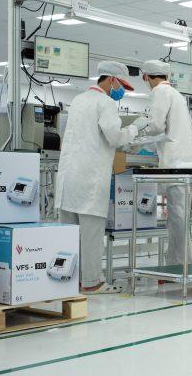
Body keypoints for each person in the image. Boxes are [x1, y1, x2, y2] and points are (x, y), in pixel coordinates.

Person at [56, 61, 148, 293]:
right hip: (90, 179)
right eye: (121, 86)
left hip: (68, 178)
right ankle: (91, 282)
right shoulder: (105, 102)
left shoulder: (79, 100)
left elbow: (95, 138)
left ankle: (68, 279)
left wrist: (127, 145)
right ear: (111, 80)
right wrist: (137, 127)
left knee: (69, 236)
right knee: (91, 235)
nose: (121, 91)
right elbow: (114, 137)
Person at [140, 60, 192, 266]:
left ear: (146, 76)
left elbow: (156, 126)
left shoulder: (159, 92)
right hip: (186, 163)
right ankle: (180, 262)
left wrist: (138, 134)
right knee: (179, 216)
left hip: (175, 163)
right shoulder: (177, 95)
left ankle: (180, 265)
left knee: (177, 218)